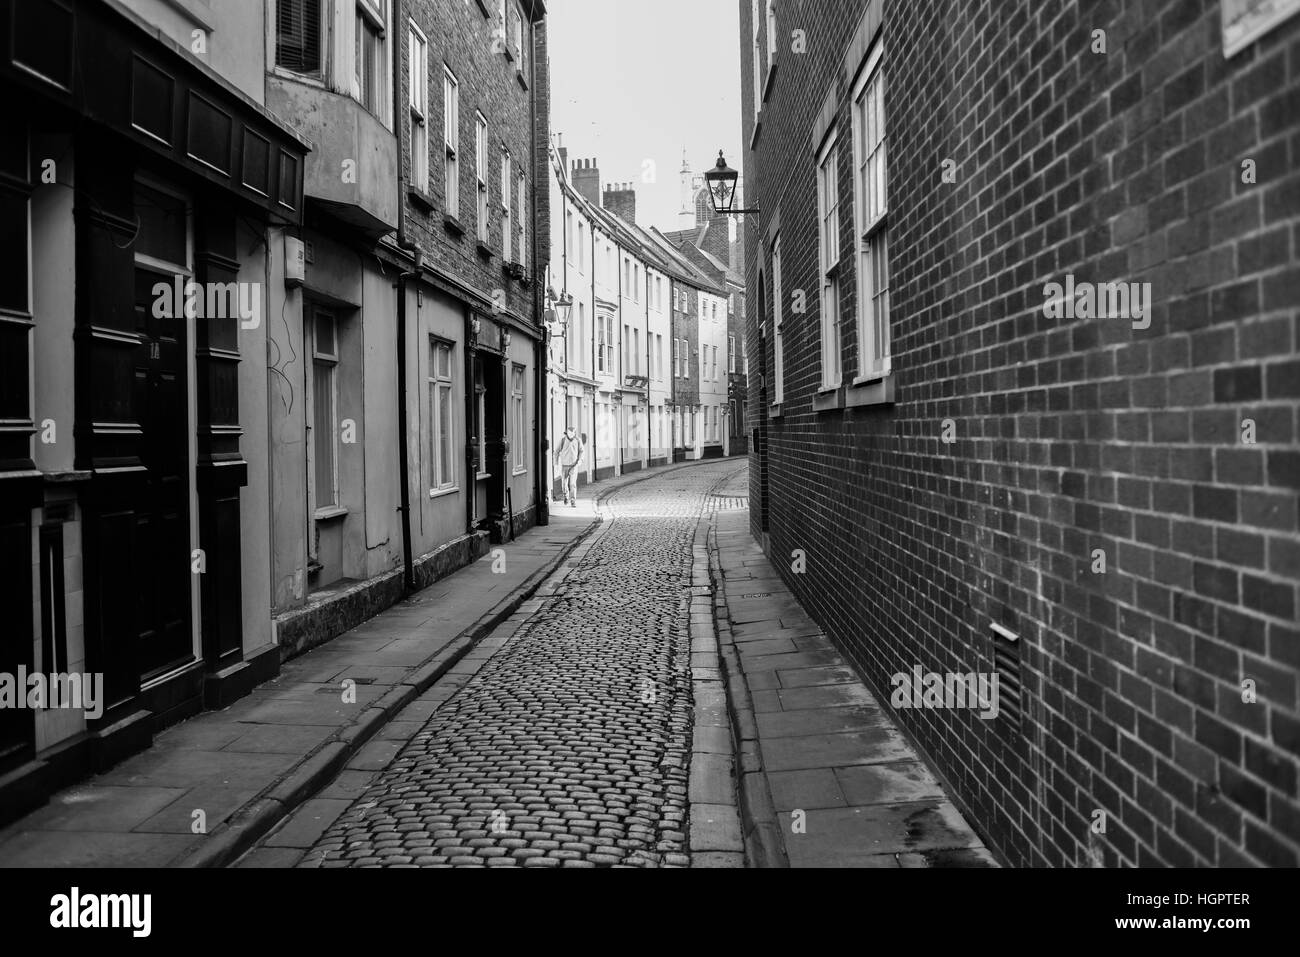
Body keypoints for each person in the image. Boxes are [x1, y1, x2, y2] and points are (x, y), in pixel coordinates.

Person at [556, 426, 583, 507]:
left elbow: (582, 451)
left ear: (575, 433)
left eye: (573, 433)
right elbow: (556, 452)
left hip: (574, 466)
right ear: (567, 433)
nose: (571, 435)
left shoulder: (578, 440)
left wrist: (580, 460)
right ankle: (565, 496)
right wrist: (556, 464)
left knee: (572, 484)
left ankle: (572, 500)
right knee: (564, 484)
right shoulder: (562, 440)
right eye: (570, 433)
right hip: (564, 466)